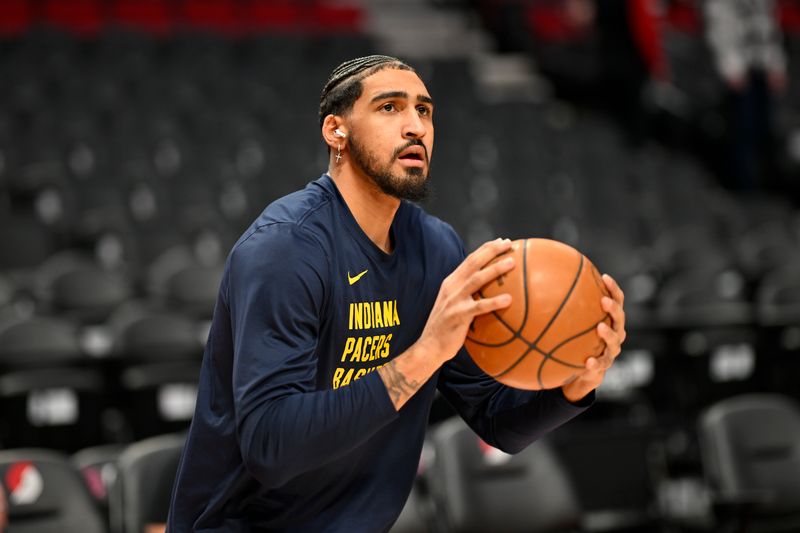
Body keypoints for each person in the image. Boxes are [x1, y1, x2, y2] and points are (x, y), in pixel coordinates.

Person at [166, 55, 627, 532]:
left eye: (424, 111)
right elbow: (272, 448)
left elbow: (497, 421)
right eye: (390, 108)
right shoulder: (285, 249)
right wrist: (424, 354)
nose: (415, 127)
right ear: (335, 131)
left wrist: (576, 378)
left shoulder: (436, 248)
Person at [704, 0, 788, 191]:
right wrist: (732, 67)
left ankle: (762, 178)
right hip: (739, 69)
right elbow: (719, 27)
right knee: (742, 125)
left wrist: (776, 66)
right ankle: (740, 182)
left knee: (764, 125)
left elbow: (769, 29)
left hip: (761, 68)